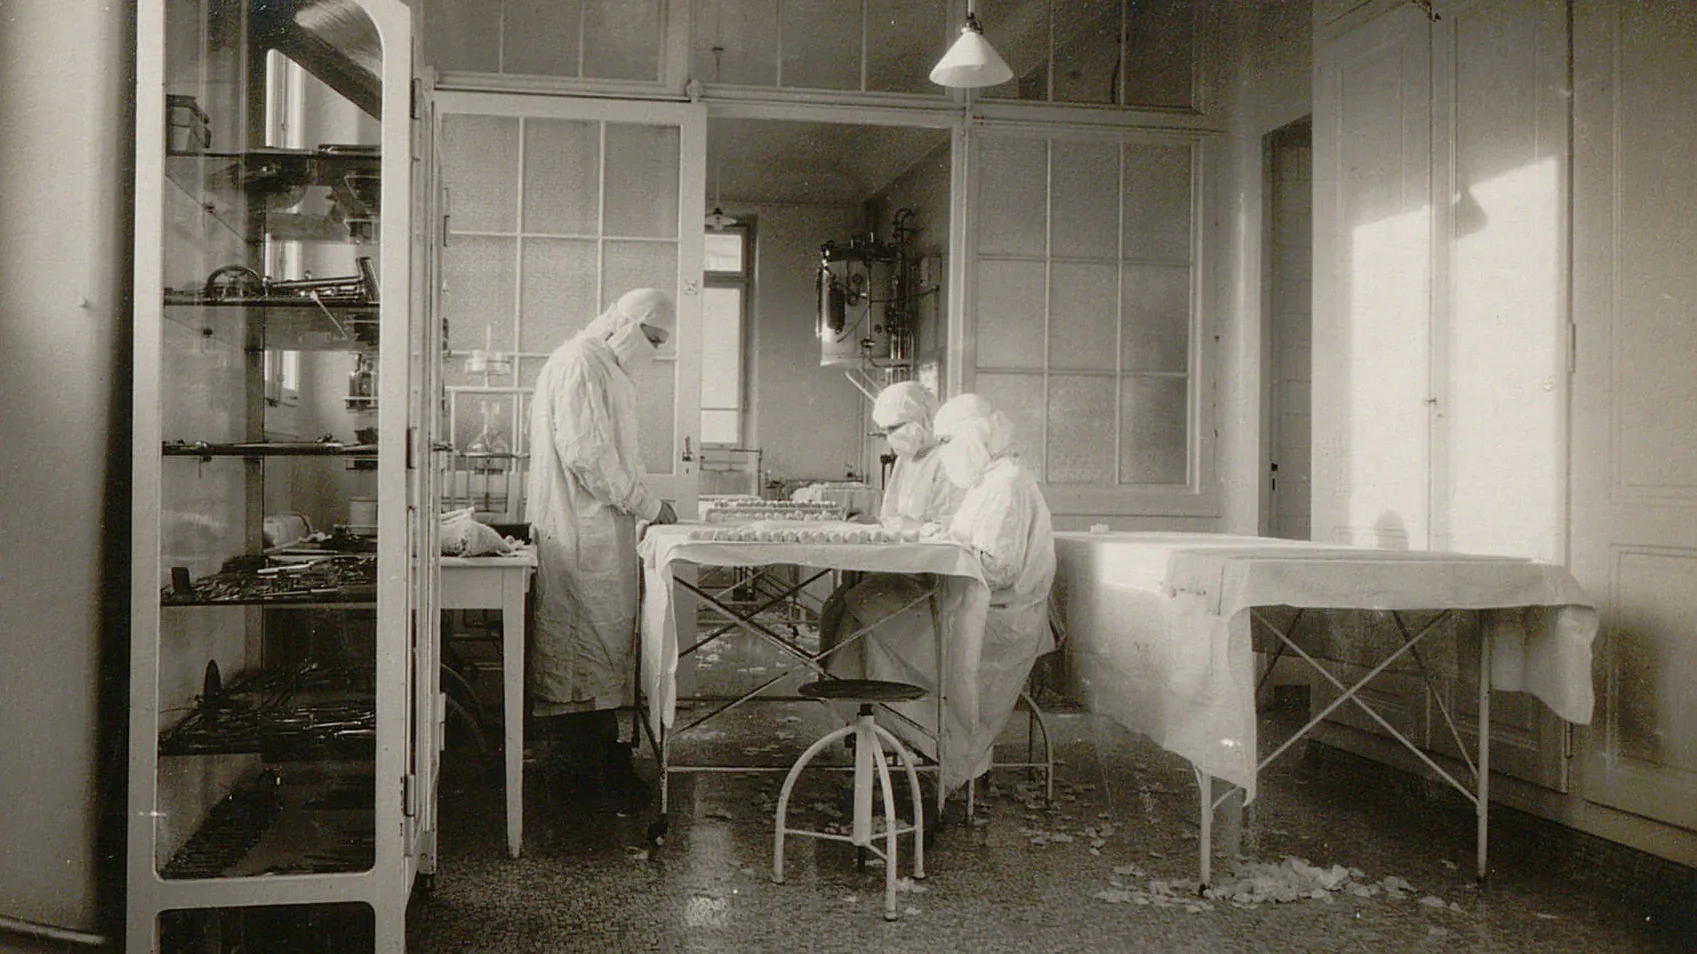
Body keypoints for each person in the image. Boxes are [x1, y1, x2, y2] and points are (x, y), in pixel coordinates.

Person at [859, 392, 1056, 795]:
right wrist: (942, 538)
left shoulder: (1006, 485)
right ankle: (910, 734)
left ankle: (928, 739)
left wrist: (944, 546)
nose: (944, 453)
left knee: (873, 617)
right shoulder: (990, 481)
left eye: (947, 443)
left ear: (972, 438)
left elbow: (998, 569)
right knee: (865, 602)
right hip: (976, 601)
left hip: (999, 616)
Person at [525, 287, 678, 796]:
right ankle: (575, 772)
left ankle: (597, 759)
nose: (652, 352)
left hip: (598, 532)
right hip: (578, 533)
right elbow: (588, 455)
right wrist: (648, 505)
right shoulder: (579, 363)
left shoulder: (604, 367)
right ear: (627, 325)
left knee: (601, 645)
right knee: (579, 647)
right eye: (651, 339)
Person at [817, 381, 962, 677]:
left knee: (859, 608)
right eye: (884, 431)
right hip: (899, 563)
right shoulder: (906, 462)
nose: (889, 438)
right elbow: (890, 516)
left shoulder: (947, 462)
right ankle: (846, 694)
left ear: (920, 419)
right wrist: (874, 524)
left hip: (927, 576)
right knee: (836, 604)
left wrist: (899, 528)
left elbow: (945, 532)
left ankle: (874, 702)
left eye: (893, 429)